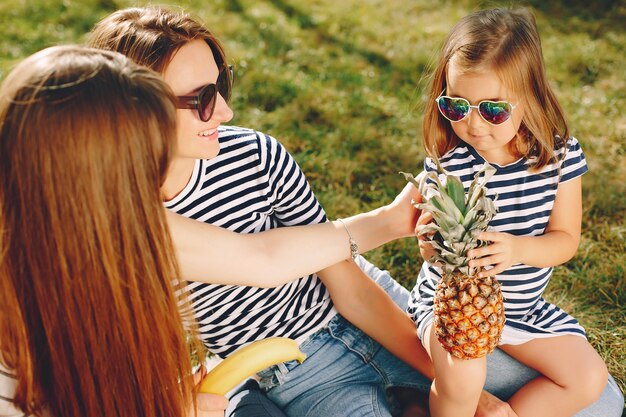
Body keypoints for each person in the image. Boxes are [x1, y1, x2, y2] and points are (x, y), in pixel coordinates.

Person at [87, 6, 625, 417]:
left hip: (376, 316)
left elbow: (347, 284)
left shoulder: (256, 153)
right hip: (289, 369)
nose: (224, 111)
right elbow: (122, 349)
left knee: (600, 402)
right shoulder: (116, 224)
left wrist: (474, 395)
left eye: (222, 85)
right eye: (201, 98)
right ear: (135, 110)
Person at [0, 45, 423, 417]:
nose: (157, 169)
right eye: (144, 149)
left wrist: (388, 221)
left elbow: (260, 260)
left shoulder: (119, 221)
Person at [406, 7, 623, 417]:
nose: (473, 124)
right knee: (461, 377)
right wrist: (429, 245)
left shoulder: (559, 158)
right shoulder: (448, 163)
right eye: (456, 106)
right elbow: (432, 250)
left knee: (588, 378)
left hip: (522, 310)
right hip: (451, 306)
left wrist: (518, 250)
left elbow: (565, 241)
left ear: (530, 97)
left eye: (492, 110)